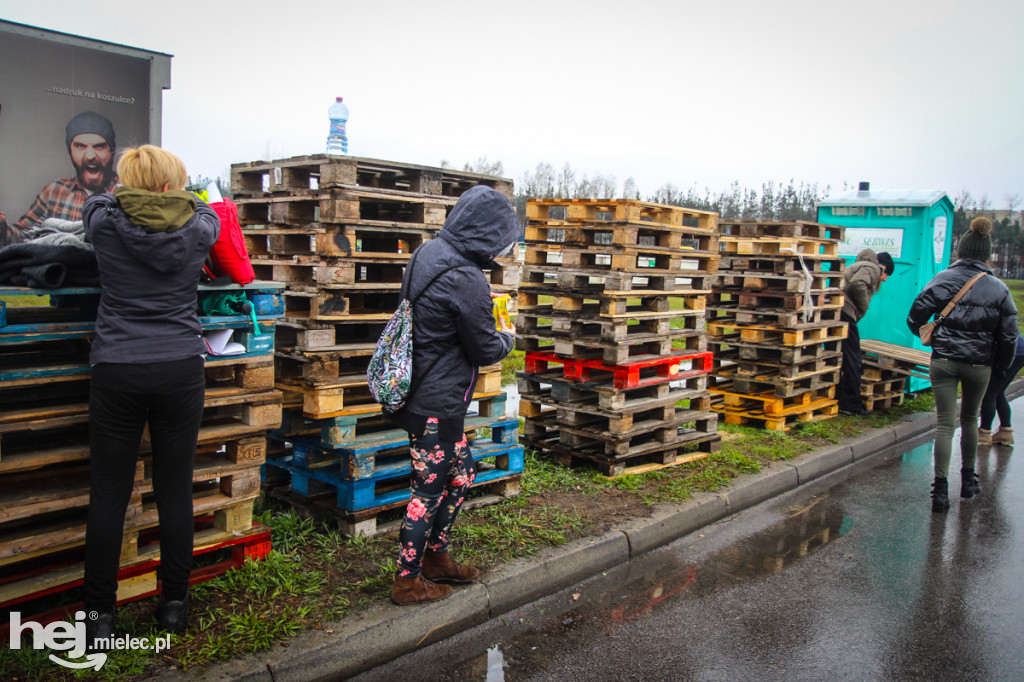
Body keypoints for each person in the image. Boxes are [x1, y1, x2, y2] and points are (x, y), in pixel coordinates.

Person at [81, 145, 219, 645]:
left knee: (109, 494)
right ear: (170, 186)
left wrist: (126, 194)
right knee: (174, 489)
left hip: (117, 366)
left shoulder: (102, 221)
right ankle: (173, 608)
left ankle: (99, 617)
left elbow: (99, 201)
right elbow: (207, 207)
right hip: (179, 369)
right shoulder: (200, 226)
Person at [386, 185, 519, 605]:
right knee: (426, 492)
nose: (505, 245)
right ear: (487, 233)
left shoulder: (429, 252)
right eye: (502, 236)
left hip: (423, 391)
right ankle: (406, 582)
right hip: (435, 403)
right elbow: (484, 348)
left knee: (461, 476)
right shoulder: (467, 278)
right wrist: (507, 337)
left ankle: (437, 559)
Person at [907, 216, 1017, 513]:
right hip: (979, 364)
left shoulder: (942, 279)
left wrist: (929, 334)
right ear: (987, 254)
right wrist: (1001, 367)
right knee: (969, 420)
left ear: (961, 250)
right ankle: (968, 481)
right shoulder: (999, 288)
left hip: (943, 361)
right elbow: (1009, 336)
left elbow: (915, 315)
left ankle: (939, 491)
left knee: (945, 424)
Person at [0, 111, 119, 246]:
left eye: (99, 146)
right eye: (80, 146)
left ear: (112, 151)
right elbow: (20, 240)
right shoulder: (54, 191)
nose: (90, 156)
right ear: (70, 151)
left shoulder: (124, 193)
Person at [838, 249, 894, 415]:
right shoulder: (872, 268)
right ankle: (851, 406)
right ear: (883, 268)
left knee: (843, 357)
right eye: (887, 275)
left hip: (838, 311)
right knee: (853, 359)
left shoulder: (858, 265)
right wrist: (863, 306)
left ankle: (843, 400)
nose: (884, 279)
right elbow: (857, 284)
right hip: (846, 313)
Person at [978, 330, 1024, 446]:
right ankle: (1005, 432)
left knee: (989, 393)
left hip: (1007, 351)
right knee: (998, 391)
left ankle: (984, 433)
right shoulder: (1004, 311)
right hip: (1019, 350)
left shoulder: (983, 312)